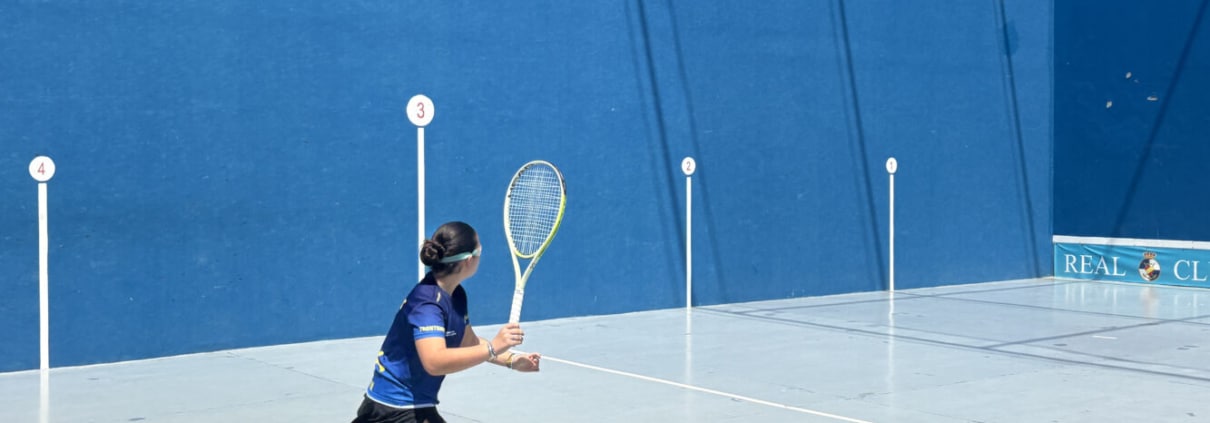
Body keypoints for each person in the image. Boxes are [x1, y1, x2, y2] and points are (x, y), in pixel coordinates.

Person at [352, 221, 541, 423]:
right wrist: (493, 347)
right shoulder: (427, 305)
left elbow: (469, 343)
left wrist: (511, 360)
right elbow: (434, 362)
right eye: (480, 250)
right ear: (469, 260)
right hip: (394, 408)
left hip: (411, 406)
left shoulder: (456, 295)